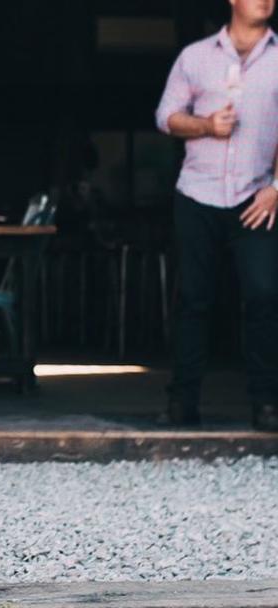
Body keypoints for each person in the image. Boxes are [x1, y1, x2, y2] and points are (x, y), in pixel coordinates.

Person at [155, 0, 278, 430]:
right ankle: (182, 401)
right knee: (193, 298)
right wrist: (206, 125)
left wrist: (277, 189)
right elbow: (165, 117)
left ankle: (266, 403)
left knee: (264, 297)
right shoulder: (196, 57)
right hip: (198, 194)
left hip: (255, 198)